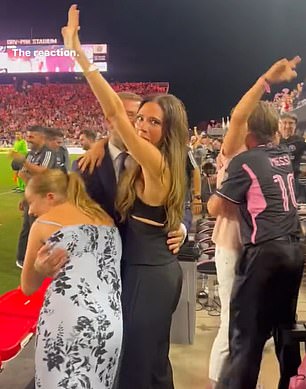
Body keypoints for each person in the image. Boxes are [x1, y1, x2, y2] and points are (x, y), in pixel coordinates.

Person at [61, 6, 187, 388]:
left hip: (145, 275)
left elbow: (115, 114)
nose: (143, 127)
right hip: (153, 267)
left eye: (153, 121)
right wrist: (101, 141)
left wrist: (77, 51)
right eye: (142, 119)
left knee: (135, 365)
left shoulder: (154, 160)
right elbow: (117, 130)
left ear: (169, 130)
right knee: (149, 362)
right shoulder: (162, 160)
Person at [208, 56, 304, 389]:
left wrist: (265, 79)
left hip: (250, 246)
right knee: (280, 325)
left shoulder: (243, 155)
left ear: (247, 130)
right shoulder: (281, 155)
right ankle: (290, 382)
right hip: (288, 244)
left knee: (239, 330)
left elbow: (215, 207)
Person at [21, 169, 122, 389]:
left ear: (50, 196)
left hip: (66, 325)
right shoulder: (106, 220)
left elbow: (28, 286)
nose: (30, 211)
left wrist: (39, 269)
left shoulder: (44, 224)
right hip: (110, 324)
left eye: (31, 202)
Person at [9, 125, 57, 268]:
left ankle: (38, 259)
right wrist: (28, 195)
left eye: (31, 136)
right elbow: (22, 173)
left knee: (40, 229)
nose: (28, 139)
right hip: (33, 196)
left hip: (44, 199)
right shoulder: (31, 154)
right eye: (27, 136)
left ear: (41, 137)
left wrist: (25, 163)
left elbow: (43, 172)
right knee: (27, 227)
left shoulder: (48, 153)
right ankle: (22, 258)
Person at [279, 112, 306, 201]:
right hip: (276, 181)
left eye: (290, 123)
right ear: (279, 124)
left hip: (294, 180)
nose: (287, 126)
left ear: (295, 125)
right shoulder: (273, 141)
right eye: (284, 122)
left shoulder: (300, 141)